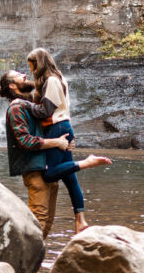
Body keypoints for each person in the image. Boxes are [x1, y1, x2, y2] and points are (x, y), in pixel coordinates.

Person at [19, 48, 111, 233]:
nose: (31, 71)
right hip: (64, 126)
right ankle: (80, 220)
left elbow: (45, 111)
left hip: (57, 127)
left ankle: (86, 162)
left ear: (39, 64)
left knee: (49, 174)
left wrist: (24, 103)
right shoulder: (59, 78)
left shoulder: (52, 81)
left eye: (32, 67)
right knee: (70, 178)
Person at [0, 71, 66, 238]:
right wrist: (56, 142)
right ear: (12, 85)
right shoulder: (15, 108)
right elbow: (25, 141)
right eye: (17, 74)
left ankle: (37, 263)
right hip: (35, 171)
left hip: (48, 168)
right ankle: (20, 262)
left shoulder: (31, 106)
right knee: (38, 223)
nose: (24, 74)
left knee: (46, 224)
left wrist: (65, 140)